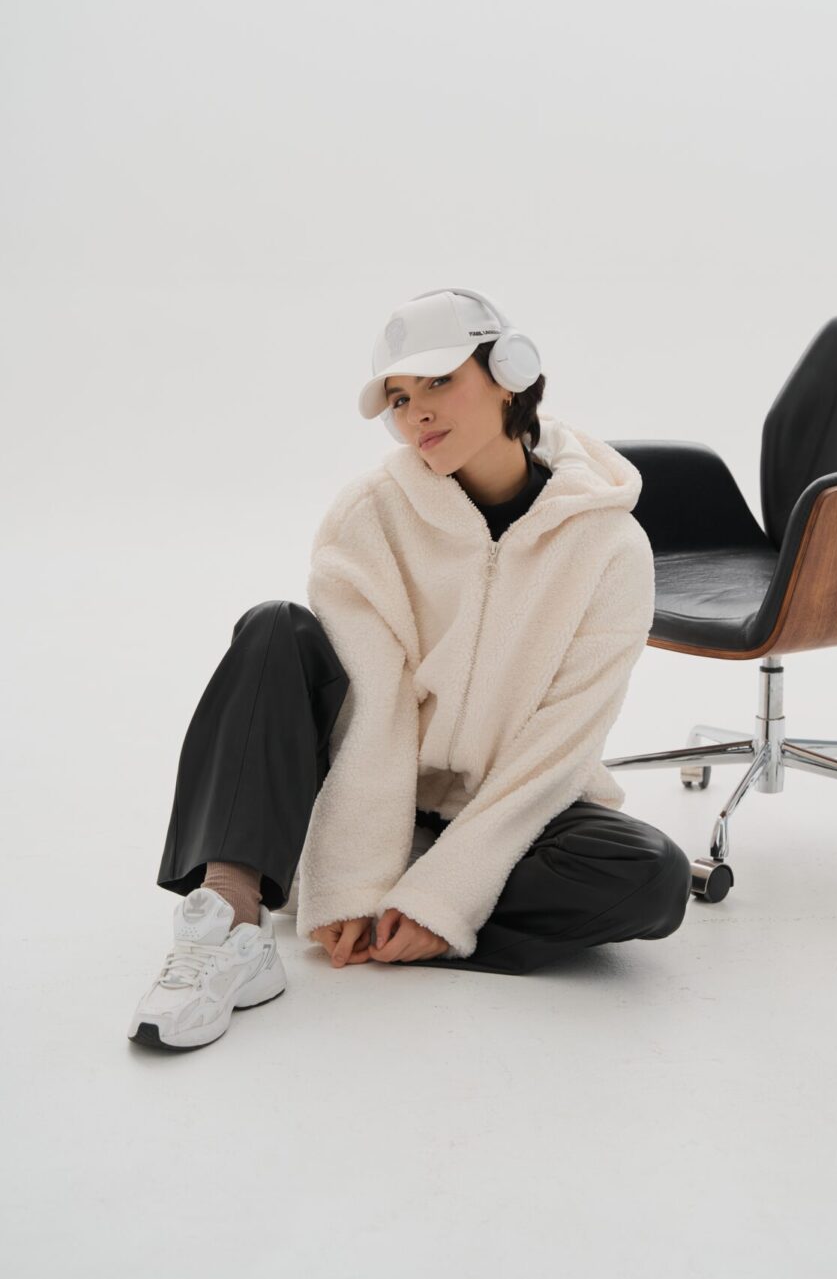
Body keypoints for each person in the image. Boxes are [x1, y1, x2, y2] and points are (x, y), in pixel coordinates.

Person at [128, 288, 692, 1051]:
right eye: (398, 398)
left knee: (653, 876)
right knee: (274, 628)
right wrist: (352, 881)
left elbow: (559, 747)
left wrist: (446, 896)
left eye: (438, 382)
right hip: (365, 792)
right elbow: (379, 710)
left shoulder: (610, 547)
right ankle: (229, 915)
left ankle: (421, 912)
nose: (415, 413)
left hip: (508, 809)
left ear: (509, 374)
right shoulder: (369, 515)